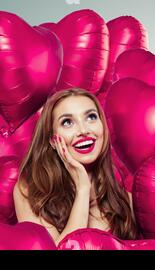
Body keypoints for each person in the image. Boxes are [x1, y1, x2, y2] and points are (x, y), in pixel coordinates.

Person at [13, 88, 137, 245]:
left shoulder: (127, 202)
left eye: (91, 117)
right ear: (52, 140)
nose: (83, 130)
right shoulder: (30, 192)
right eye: (67, 122)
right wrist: (83, 189)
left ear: (103, 128)